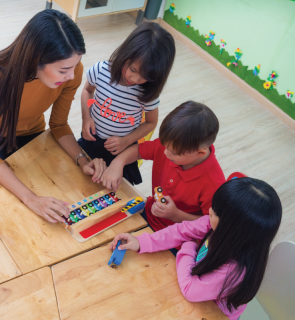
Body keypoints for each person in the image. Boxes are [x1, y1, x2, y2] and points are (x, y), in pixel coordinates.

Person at [0, 9, 105, 224]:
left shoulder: (71, 73)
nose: (72, 75)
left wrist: (82, 159)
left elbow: (58, 124)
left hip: (32, 133)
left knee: (56, 186)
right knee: (5, 211)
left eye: (75, 66)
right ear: (36, 60)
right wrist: (31, 199)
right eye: (64, 69)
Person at [110, 177, 283, 320]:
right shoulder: (214, 224)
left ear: (231, 228)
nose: (208, 211)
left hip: (213, 312)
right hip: (197, 285)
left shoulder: (233, 270)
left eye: (214, 212)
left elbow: (191, 291)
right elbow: (181, 230)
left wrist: (189, 246)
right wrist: (142, 242)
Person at [101, 101, 225, 238]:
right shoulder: (173, 145)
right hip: (148, 214)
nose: (165, 153)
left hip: (178, 238)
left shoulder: (214, 183)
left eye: (173, 152)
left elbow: (210, 225)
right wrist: (118, 162)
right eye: (165, 146)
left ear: (200, 153)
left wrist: (176, 215)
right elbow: (138, 151)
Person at [79, 21, 175, 185]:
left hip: (120, 151)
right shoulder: (101, 70)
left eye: (145, 76)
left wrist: (127, 140)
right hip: (91, 143)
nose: (135, 79)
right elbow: (87, 91)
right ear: (125, 53)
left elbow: (151, 122)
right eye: (133, 70)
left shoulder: (147, 92)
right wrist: (86, 118)